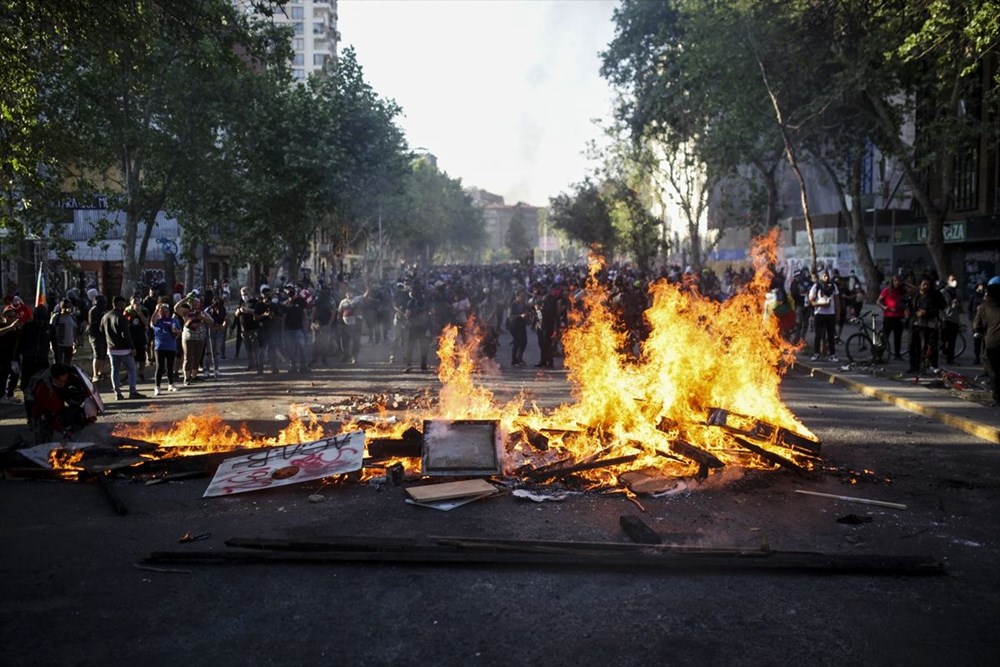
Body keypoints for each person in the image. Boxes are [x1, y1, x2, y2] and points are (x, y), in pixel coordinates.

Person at [24, 362, 94, 441]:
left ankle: (75, 439)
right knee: (44, 442)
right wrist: (62, 430)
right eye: (60, 381)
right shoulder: (43, 389)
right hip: (42, 415)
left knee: (79, 415)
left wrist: (89, 407)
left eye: (65, 381)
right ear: (53, 378)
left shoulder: (68, 376)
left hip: (59, 410)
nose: (63, 384)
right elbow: (48, 415)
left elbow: (84, 386)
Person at [100, 295, 145, 400]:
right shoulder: (122, 317)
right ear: (121, 304)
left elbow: (101, 331)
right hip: (124, 349)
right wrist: (132, 348)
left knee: (114, 371)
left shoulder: (105, 316)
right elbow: (126, 334)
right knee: (132, 369)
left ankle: (117, 393)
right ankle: (132, 392)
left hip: (111, 349)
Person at [907, 277, 947, 373]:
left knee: (924, 347)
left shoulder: (934, 295)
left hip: (927, 325)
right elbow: (908, 305)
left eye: (927, 284)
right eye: (923, 284)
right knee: (912, 346)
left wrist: (926, 313)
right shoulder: (915, 295)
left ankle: (924, 366)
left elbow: (940, 308)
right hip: (914, 323)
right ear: (919, 285)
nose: (925, 286)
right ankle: (913, 366)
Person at [972, 277, 1000, 410]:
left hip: (992, 343)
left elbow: (977, 326)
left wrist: (978, 332)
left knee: (993, 372)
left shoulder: (983, 307)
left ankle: (997, 398)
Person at [150, 302, 181, 395]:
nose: (164, 312)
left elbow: (179, 330)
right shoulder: (158, 320)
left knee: (170, 366)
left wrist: (176, 333)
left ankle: (171, 384)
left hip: (171, 346)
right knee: (160, 367)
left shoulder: (173, 320)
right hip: (160, 346)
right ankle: (157, 387)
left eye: (166, 311)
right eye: (162, 311)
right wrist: (156, 310)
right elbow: (152, 321)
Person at [808, 270, 839, 362]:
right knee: (818, 335)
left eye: (827, 276)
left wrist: (838, 313)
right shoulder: (816, 286)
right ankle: (816, 354)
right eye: (824, 276)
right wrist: (820, 305)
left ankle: (832, 355)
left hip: (830, 314)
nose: (826, 278)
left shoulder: (833, 286)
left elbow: (837, 300)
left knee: (831, 336)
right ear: (821, 276)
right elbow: (811, 301)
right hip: (819, 314)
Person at [877, 275, 908, 360]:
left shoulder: (903, 292)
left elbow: (915, 290)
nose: (897, 282)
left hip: (899, 317)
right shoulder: (886, 290)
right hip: (888, 317)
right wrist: (884, 307)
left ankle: (897, 355)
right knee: (885, 336)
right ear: (892, 282)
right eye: (895, 281)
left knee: (898, 337)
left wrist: (906, 283)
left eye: (899, 281)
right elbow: (878, 301)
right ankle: (879, 354)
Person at [939, 274, 963, 364]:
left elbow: (961, 308)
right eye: (952, 280)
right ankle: (931, 356)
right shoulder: (943, 292)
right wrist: (942, 317)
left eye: (955, 279)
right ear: (948, 281)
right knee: (942, 340)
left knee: (952, 341)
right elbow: (939, 307)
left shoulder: (958, 292)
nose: (954, 281)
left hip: (955, 319)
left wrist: (958, 305)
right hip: (946, 319)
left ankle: (950, 359)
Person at [507, 287, 530, 366]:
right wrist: (520, 315)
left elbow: (527, 312)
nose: (523, 298)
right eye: (521, 296)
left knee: (524, 342)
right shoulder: (512, 305)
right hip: (514, 326)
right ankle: (514, 360)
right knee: (517, 342)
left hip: (522, 325)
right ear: (517, 296)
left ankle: (520, 358)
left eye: (524, 296)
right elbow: (510, 316)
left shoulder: (524, 304)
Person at [49, 299, 77, 365]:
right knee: (58, 363)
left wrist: (75, 341)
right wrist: (51, 344)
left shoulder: (72, 317)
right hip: (58, 344)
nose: (68, 309)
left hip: (69, 345)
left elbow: (74, 329)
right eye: (67, 307)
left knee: (67, 363)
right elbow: (51, 330)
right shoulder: (56, 317)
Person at [969, 281, 986, 365]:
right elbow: (970, 308)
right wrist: (972, 319)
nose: (981, 288)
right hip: (976, 321)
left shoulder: (986, 296)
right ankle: (977, 357)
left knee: (985, 341)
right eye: (980, 286)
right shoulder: (974, 296)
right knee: (977, 340)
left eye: (982, 286)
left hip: (985, 321)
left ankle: (985, 357)